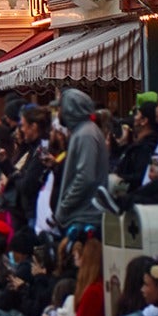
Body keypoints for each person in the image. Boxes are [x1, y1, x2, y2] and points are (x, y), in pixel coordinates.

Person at [54, 88, 109, 233]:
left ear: (69, 109)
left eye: (60, 107)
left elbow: (85, 177)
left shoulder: (85, 134)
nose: (58, 112)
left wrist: (64, 206)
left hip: (84, 217)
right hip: (81, 215)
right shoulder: (82, 132)